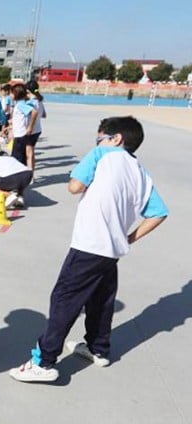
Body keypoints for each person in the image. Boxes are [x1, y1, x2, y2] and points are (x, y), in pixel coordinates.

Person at [9, 116, 168, 383]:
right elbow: (159, 213)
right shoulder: (140, 172)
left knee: (64, 299)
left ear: (115, 139)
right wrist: (128, 238)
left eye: (100, 138)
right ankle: (98, 348)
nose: (97, 143)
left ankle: (44, 361)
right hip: (112, 249)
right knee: (101, 300)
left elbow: (74, 187)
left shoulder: (101, 154)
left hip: (90, 245)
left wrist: (86, 174)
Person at [10, 83, 37, 179]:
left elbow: (34, 112)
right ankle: (20, 179)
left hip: (21, 136)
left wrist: (30, 127)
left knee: (17, 159)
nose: (10, 95)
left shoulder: (21, 104)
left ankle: (19, 180)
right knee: (17, 158)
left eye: (12, 93)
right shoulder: (19, 104)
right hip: (18, 135)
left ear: (16, 94)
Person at [24, 80, 46, 172]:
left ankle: (29, 173)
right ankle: (31, 171)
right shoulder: (39, 101)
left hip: (30, 130)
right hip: (37, 129)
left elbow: (31, 115)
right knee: (31, 151)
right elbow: (44, 115)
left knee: (29, 153)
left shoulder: (31, 102)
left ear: (28, 90)